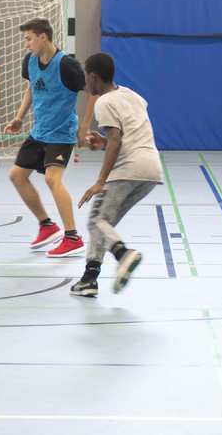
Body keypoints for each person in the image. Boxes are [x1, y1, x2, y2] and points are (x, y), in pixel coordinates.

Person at [70, 52, 161, 297]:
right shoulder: (133, 95)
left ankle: (123, 254)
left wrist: (100, 181)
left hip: (129, 167)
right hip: (151, 168)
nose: (86, 84)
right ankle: (89, 279)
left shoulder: (104, 102)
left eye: (87, 77)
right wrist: (102, 140)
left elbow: (116, 139)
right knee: (103, 224)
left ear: (94, 77)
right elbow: (125, 132)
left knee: (95, 221)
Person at [4, 19, 88, 257]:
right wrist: (19, 117)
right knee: (17, 176)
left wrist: (84, 126)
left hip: (61, 133)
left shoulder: (66, 65)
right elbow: (31, 88)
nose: (26, 43)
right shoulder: (30, 60)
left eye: (29, 38)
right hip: (39, 130)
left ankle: (72, 237)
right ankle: (47, 226)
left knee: (52, 179)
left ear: (43, 37)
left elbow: (91, 90)